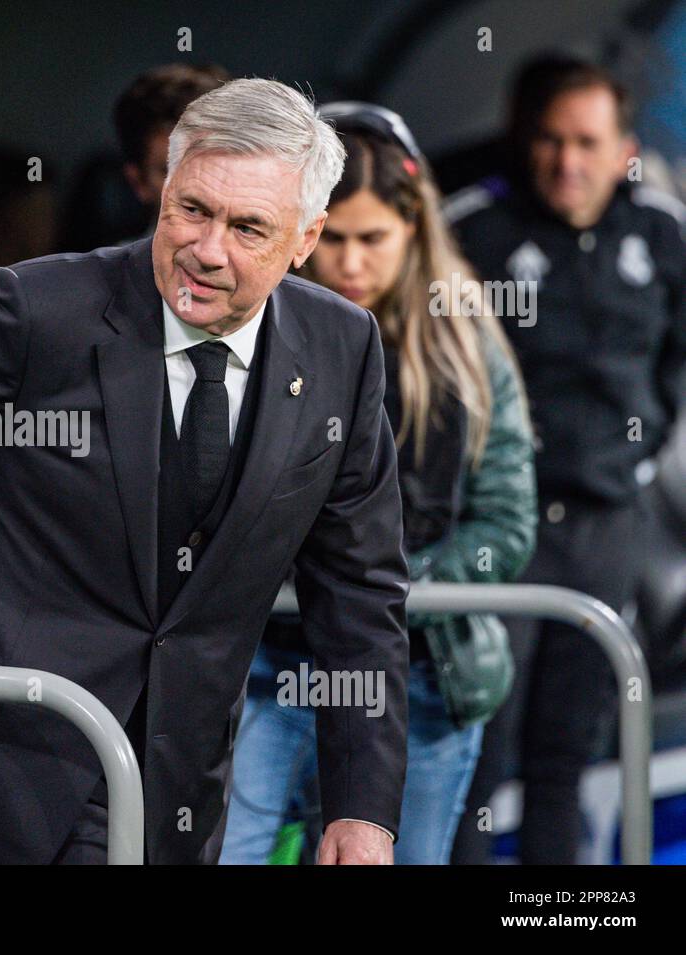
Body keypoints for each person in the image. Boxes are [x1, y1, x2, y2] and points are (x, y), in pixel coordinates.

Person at [0, 77, 410, 865]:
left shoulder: (342, 347)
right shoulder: (38, 308)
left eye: (249, 226)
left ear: (305, 237)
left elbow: (360, 589)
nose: (207, 249)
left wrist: (362, 810)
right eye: (192, 209)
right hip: (10, 756)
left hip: (180, 787)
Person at [220, 105, 537, 865]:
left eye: (374, 240)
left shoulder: (466, 344)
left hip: (425, 673)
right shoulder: (241, 332)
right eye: (333, 239)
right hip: (269, 668)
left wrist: (381, 590)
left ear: (414, 229)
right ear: (302, 230)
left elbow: (508, 523)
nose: (350, 263)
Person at [447, 56, 686, 864]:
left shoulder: (660, 230)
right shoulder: (470, 227)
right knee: (477, 741)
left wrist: (643, 454)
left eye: (587, 141)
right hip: (498, 527)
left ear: (624, 147)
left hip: (608, 523)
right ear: (524, 139)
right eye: (549, 140)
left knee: (567, 748)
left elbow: (677, 361)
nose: (567, 161)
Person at [112, 62, 231, 238]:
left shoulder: (279, 261)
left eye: (216, 165)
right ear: (139, 183)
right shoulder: (110, 266)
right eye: (175, 170)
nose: (203, 191)